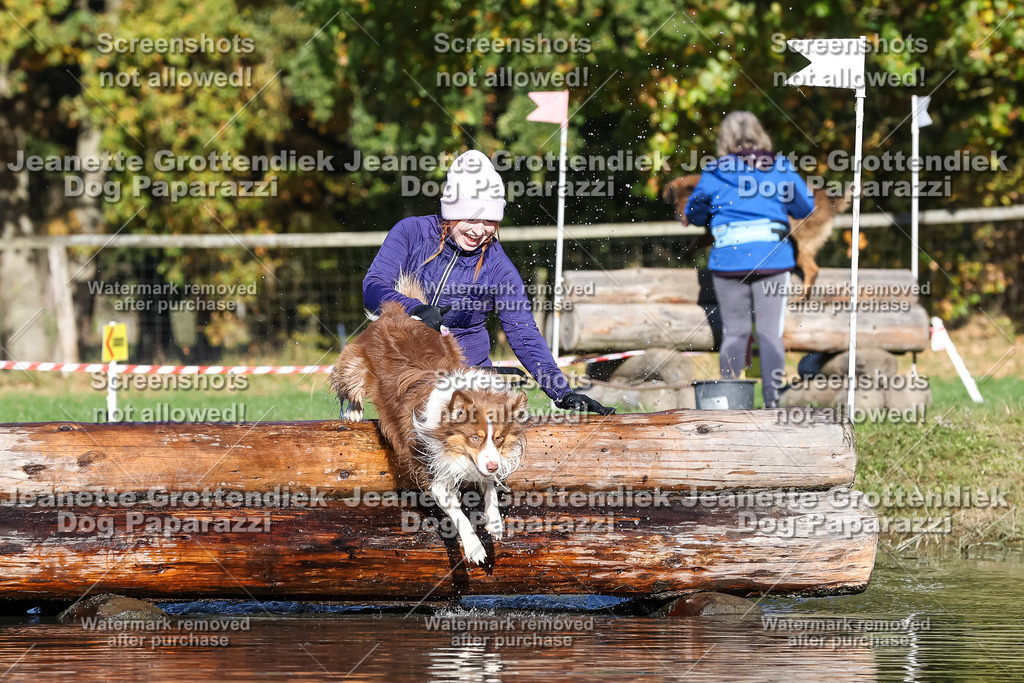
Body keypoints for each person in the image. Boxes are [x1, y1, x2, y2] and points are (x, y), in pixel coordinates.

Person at [363, 149, 614, 415]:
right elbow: (373, 288)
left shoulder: (497, 266)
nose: (479, 230)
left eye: (489, 221)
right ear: (451, 212)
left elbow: (523, 332)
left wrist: (562, 392)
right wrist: (414, 308)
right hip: (406, 365)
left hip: (467, 374)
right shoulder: (411, 233)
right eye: (471, 218)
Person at [684, 111, 814, 408]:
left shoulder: (715, 171)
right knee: (770, 333)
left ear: (725, 139)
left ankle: (729, 400)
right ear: (760, 134)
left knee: (735, 331)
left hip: (728, 261)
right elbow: (805, 205)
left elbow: (693, 213)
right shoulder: (779, 166)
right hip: (772, 259)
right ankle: (772, 401)